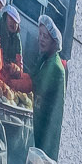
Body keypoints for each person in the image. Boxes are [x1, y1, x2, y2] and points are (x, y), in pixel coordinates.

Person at [28, 13, 68, 154]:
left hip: (44, 133)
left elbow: (31, 84)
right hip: (36, 123)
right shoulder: (44, 58)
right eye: (40, 34)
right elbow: (31, 76)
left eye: (46, 36)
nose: (41, 39)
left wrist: (11, 82)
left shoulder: (55, 67)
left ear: (54, 40)